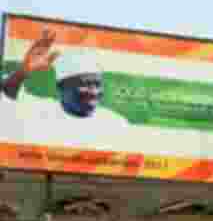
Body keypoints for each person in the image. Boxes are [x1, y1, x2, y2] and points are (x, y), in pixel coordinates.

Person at [0, 29, 140, 151]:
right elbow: (7, 97)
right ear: (61, 87)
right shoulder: (40, 112)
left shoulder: (114, 123)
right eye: (86, 84)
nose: (93, 92)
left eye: (97, 85)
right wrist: (24, 71)